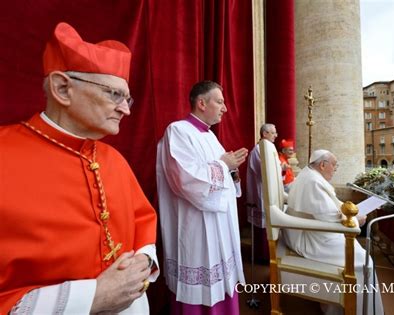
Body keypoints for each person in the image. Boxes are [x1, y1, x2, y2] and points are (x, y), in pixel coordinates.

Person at [0, 22, 159, 314]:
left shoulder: (114, 159)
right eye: (115, 95)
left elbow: (142, 220)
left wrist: (145, 260)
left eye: (128, 98)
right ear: (63, 88)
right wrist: (91, 297)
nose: (126, 109)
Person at [156, 80, 248, 314]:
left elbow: (220, 175)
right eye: (220, 102)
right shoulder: (177, 131)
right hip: (195, 222)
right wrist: (222, 164)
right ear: (201, 103)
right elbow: (185, 179)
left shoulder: (209, 136)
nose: (224, 108)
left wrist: (232, 170)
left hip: (220, 223)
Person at [283, 149, 384, 315]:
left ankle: (336, 307)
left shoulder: (310, 175)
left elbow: (331, 205)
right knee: (363, 262)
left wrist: (355, 211)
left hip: (311, 229)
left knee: (360, 256)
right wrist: (353, 220)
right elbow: (327, 216)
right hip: (309, 238)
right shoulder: (313, 181)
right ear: (323, 165)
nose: (335, 170)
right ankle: (362, 311)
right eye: (334, 166)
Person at [246, 123, 278, 262]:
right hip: (260, 192)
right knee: (262, 226)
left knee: (267, 225)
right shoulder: (259, 150)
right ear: (264, 134)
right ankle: (263, 256)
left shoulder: (268, 148)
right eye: (273, 132)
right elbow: (263, 172)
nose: (275, 135)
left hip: (268, 192)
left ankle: (268, 254)